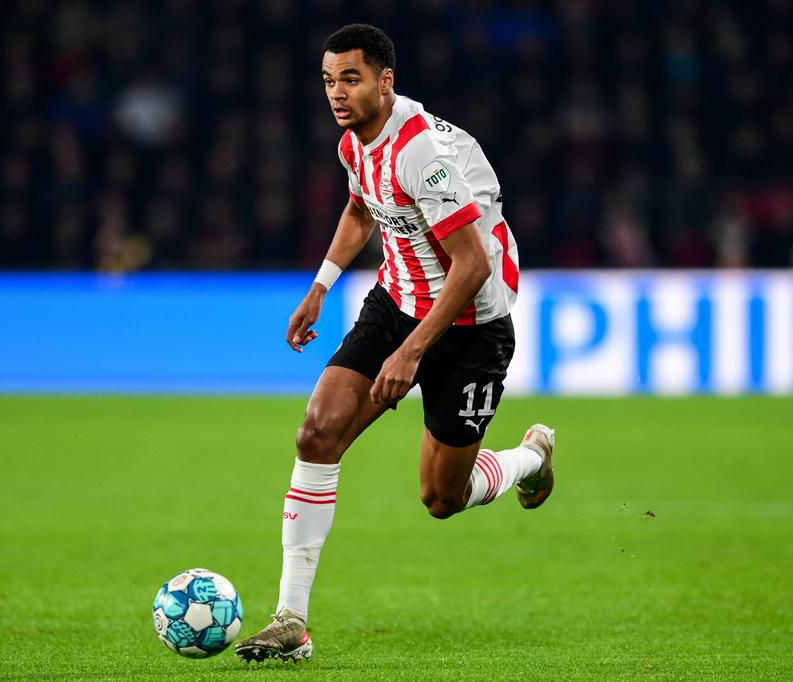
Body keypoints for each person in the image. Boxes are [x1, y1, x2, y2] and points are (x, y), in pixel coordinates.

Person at [235, 24, 556, 663]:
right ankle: (290, 621)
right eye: (328, 80)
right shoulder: (354, 143)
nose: (337, 93)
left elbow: (471, 268)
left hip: (470, 327)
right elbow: (361, 210)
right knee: (317, 433)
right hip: (395, 302)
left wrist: (411, 353)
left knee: (442, 499)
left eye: (350, 78)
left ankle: (531, 457)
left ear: (386, 80)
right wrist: (322, 286)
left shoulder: (420, 154)